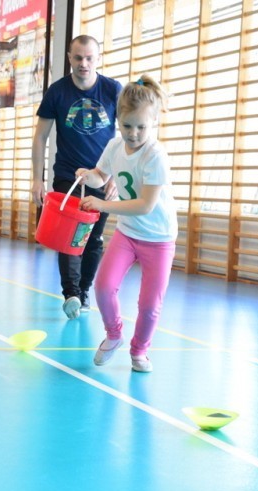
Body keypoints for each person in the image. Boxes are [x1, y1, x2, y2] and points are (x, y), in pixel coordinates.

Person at [75, 75, 177, 373]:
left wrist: (103, 205)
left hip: (158, 239)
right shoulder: (114, 146)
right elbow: (101, 176)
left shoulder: (155, 156)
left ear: (154, 122)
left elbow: (144, 205)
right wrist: (88, 176)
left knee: (149, 304)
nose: (133, 134)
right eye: (126, 126)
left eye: (141, 127)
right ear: (117, 120)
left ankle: (139, 351)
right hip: (128, 234)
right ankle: (114, 334)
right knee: (104, 286)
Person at [32, 35, 123, 319]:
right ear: (69, 58)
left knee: (93, 239)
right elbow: (40, 137)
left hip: (102, 177)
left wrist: (116, 177)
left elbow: (127, 137)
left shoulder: (112, 90)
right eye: (78, 57)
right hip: (68, 177)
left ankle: (83, 291)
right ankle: (70, 292)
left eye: (89, 58)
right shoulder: (57, 92)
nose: (84, 63)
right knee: (69, 237)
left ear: (98, 58)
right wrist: (37, 178)